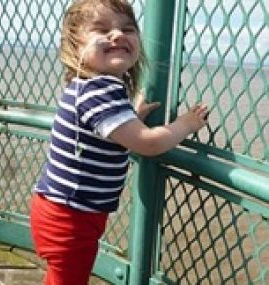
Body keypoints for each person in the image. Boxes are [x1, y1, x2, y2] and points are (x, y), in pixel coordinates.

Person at [30, 0, 208, 284]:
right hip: (71, 217)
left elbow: (104, 129)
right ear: (75, 47)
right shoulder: (100, 91)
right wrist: (185, 125)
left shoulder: (90, 88)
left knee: (63, 278)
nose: (117, 35)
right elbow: (148, 144)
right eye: (101, 29)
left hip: (64, 210)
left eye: (128, 28)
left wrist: (131, 115)